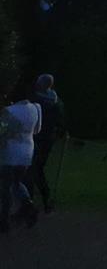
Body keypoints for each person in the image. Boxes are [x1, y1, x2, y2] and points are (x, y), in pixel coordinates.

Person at [0, 95, 41, 233]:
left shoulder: (8, 112)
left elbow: (3, 133)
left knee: (5, 186)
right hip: (27, 152)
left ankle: (4, 220)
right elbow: (37, 130)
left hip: (10, 154)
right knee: (16, 182)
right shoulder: (36, 108)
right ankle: (28, 206)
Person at [25, 74, 65, 212]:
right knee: (36, 168)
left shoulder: (35, 100)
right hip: (48, 139)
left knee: (32, 169)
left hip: (36, 138)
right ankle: (41, 199)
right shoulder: (57, 101)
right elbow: (60, 121)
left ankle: (32, 201)